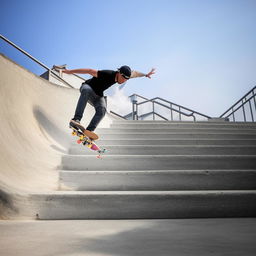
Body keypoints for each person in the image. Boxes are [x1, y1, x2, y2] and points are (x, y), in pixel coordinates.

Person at [62, 65, 155, 139]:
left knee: (102, 110)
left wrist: (146, 74)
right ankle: (76, 119)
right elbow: (89, 70)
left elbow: (136, 73)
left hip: (98, 95)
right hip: (88, 87)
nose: (123, 81)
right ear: (118, 73)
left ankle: (89, 131)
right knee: (86, 90)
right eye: (122, 78)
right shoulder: (106, 73)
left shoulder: (126, 76)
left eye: (126, 80)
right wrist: (69, 72)